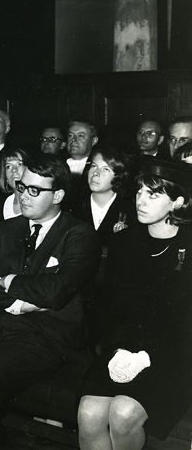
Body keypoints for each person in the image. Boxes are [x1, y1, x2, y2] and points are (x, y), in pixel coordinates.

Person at [0, 154, 100, 448]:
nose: (24, 196)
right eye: (22, 186)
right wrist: (17, 303)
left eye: (35, 190)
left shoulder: (79, 234)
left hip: (44, 333)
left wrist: (10, 280)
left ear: (59, 195)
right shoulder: (8, 229)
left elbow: (56, 290)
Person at [77, 159, 192, 450]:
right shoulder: (126, 241)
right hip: (124, 349)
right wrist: (117, 348)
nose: (140, 200)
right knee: (89, 413)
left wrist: (147, 356)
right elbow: (109, 306)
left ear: (178, 201)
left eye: (152, 195)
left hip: (173, 358)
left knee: (124, 413)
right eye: (139, 191)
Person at [72, 147, 136, 247]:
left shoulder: (130, 211)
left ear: (119, 175)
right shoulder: (72, 207)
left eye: (105, 169)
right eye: (94, 166)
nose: (95, 173)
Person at [66, 118, 99, 206]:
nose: (73, 140)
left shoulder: (97, 168)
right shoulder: (59, 164)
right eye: (70, 135)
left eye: (80, 136)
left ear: (94, 141)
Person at [0, 147, 30, 220]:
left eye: (19, 164)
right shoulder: (7, 203)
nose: (14, 170)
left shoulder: (36, 200)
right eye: (8, 166)